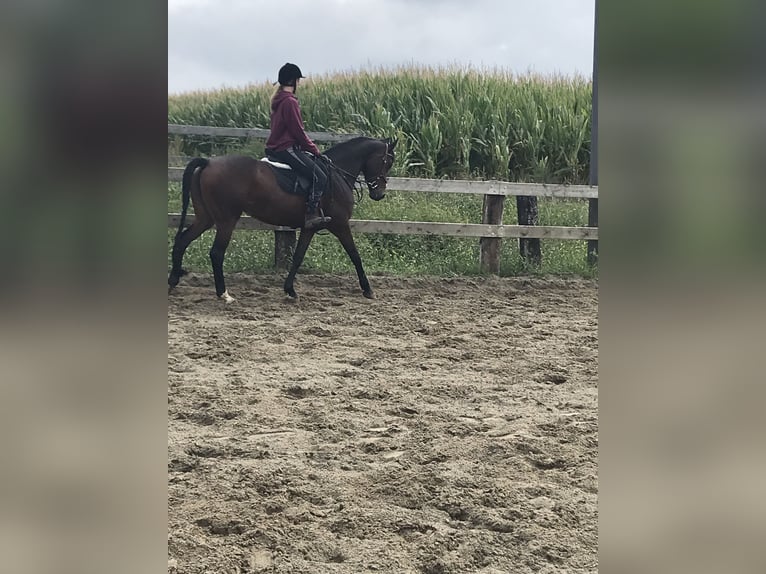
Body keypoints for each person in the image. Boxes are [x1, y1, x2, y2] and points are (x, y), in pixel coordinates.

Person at [265, 63, 331, 229]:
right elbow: (298, 132)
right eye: (298, 80)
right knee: (320, 176)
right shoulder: (289, 102)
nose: (299, 84)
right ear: (293, 81)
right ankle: (310, 214)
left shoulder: (279, 100)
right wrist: (315, 150)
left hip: (276, 147)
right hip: (286, 148)